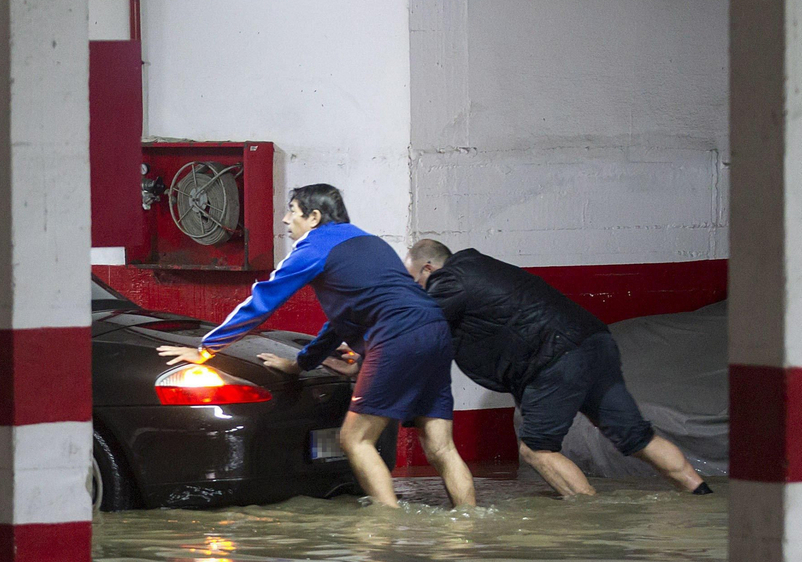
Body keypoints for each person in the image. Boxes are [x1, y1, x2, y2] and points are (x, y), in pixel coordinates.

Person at [159, 184, 475, 509]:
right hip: (436, 331)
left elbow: (263, 301)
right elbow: (344, 318)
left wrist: (207, 348)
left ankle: (387, 527)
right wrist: (301, 363)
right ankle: (469, 525)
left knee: (355, 439)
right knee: (441, 448)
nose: (285, 219)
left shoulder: (315, 247)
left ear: (314, 217)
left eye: (292, 211)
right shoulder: (370, 242)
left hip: (396, 337)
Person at [402, 239, 711, 498]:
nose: (419, 289)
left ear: (429, 268)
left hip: (557, 357)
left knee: (536, 450)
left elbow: (418, 325)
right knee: (638, 438)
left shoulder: (449, 279)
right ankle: (701, 494)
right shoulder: (481, 265)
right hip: (596, 343)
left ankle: (593, 520)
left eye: (415, 281)